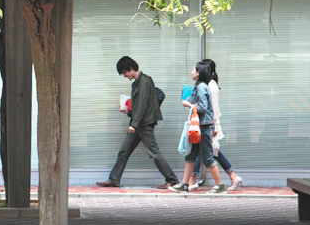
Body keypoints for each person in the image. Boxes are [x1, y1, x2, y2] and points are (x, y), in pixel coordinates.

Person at [96, 56, 179, 189]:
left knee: (154, 153)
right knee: (124, 151)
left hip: (144, 124)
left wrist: (134, 124)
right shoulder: (136, 83)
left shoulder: (145, 81)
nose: (125, 76)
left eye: (125, 73)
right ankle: (114, 179)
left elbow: (143, 105)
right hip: (138, 123)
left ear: (130, 68)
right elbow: (138, 106)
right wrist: (128, 111)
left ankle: (173, 180)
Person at [169, 61, 227, 194]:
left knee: (207, 157)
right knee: (190, 155)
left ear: (199, 73)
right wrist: (188, 99)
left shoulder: (201, 87)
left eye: (193, 70)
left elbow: (202, 107)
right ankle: (184, 184)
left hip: (204, 127)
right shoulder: (200, 86)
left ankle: (220, 185)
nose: (191, 72)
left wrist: (188, 105)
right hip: (198, 127)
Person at [188, 59, 243, 191]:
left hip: (209, 123)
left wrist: (213, 126)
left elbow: (212, 107)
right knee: (209, 151)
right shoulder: (207, 84)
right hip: (209, 122)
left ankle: (193, 181)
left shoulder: (210, 86)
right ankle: (232, 176)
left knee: (207, 152)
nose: (192, 71)